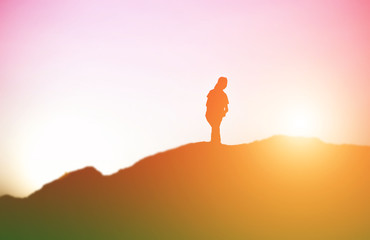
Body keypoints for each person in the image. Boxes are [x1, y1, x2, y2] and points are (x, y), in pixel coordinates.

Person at [206, 77, 229, 143]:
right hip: (211, 114)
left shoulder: (224, 95)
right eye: (224, 83)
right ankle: (216, 143)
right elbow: (208, 104)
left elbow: (227, 108)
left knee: (215, 127)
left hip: (219, 115)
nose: (225, 85)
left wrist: (223, 113)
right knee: (215, 127)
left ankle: (215, 143)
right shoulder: (212, 92)